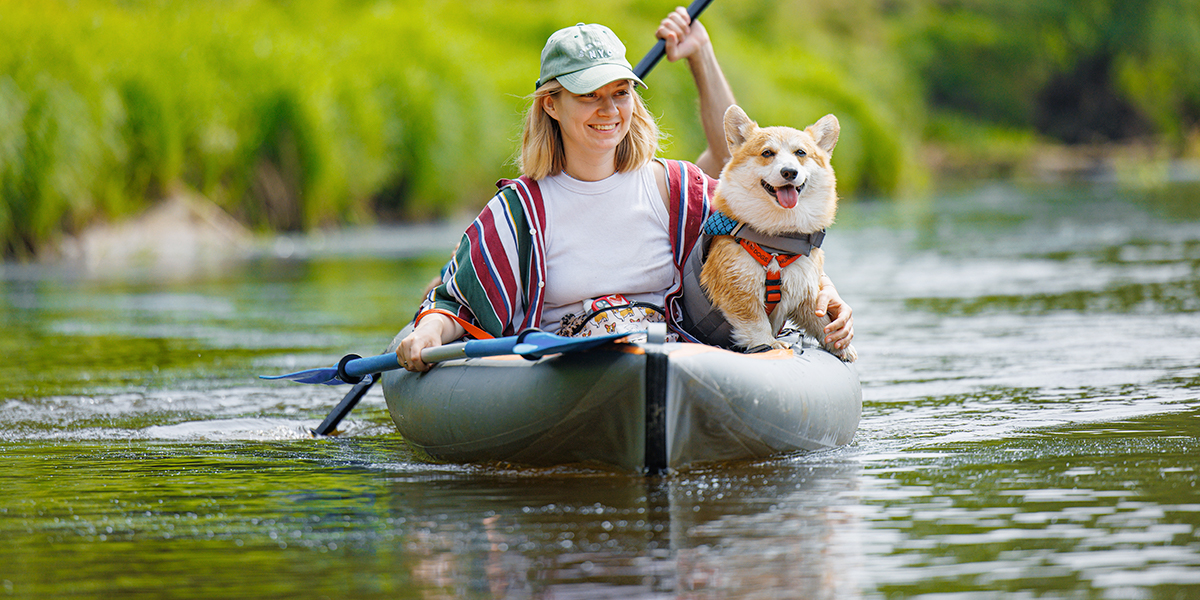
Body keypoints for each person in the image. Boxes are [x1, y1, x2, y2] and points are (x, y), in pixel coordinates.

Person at [398, 8, 853, 372]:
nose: (608, 109)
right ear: (551, 104)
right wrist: (428, 332)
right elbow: (454, 305)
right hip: (564, 369)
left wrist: (825, 294)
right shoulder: (517, 211)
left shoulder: (677, 189)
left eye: (620, 93)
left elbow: (769, 229)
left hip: (676, 362)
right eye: (589, 95)